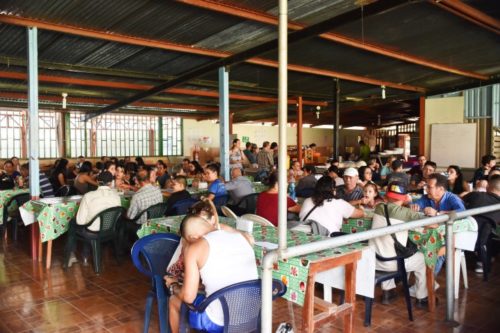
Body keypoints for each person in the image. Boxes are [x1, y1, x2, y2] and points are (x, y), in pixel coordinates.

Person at [166, 209, 258, 333]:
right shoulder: (242, 237)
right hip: (252, 317)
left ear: (192, 237)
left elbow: (188, 297)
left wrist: (173, 286)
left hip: (218, 322)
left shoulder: (195, 248)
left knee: (174, 300)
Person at [369, 181, 429, 307]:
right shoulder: (408, 213)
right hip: (393, 264)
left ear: (387, 195)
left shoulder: (379, 207)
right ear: (405, 197)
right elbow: (429, 225)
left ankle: (388, 292)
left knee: (386, 246)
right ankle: (422, 298)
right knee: (422, 259)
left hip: (374, 260)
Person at [69, 171, 121, 265]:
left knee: (73, 223)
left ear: (97, 181)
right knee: (89, 225)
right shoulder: (116, 196)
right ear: (110, 182)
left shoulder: (88, 196)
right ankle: (85, 254)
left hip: (91, 233)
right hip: (110, 231)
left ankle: (71, 254)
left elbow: (80, 222)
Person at [299, 176, 363, 235]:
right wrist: (361, 208)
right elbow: (360, 214)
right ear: (333, 190)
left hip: (304, 237)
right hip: (327, 239)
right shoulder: (339, 203)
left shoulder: (307, 201)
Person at [463, 174, 500, 273]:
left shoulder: (476, 195)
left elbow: (459, 200)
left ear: (488, 187)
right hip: (485, 240)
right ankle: (483, 260)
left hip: (462, 236)